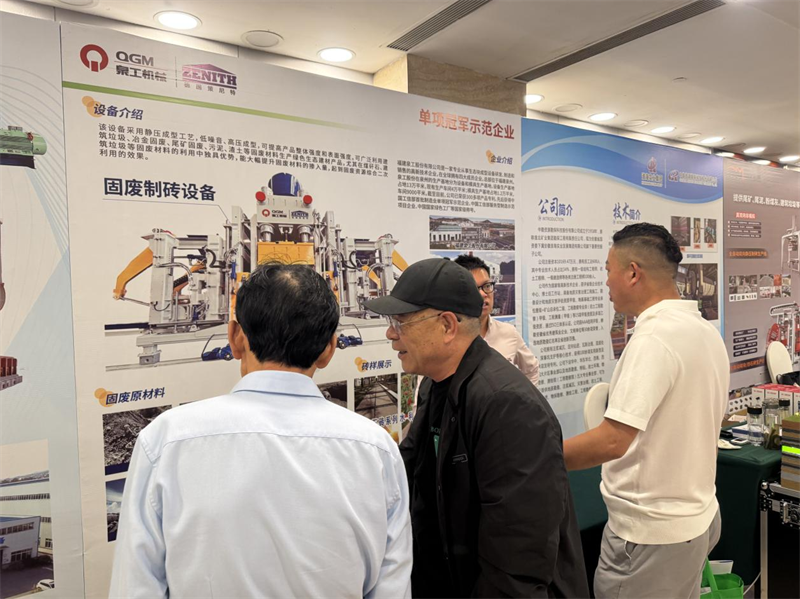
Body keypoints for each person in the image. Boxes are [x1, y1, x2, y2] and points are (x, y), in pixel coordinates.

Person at [109, 264, 412, 599]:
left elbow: (136, 587)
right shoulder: (376, 449)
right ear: (329, 349)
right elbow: (392, 588)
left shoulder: (166, 440)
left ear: (235, 338)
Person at [365, 258, 588, 598]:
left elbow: (518, 558)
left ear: (447, 325)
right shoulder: (435, 385)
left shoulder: (507, 406)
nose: (391, 334)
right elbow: (410, 471)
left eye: (401, 322)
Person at [563, 223, 729, 599]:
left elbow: (612, 441)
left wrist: (538, 457)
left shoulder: (654, 339)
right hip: (694, 518)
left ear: (633, 273)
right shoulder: (703, 331)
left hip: (651, 536)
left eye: (608, 270)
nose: (606, 281)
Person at [454, 254, 540, 386]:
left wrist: (524, 398)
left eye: (487, 286)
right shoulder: (444, 339)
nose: (483, 294)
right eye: (473, 288)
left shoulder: (508, 332)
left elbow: (532, 370)